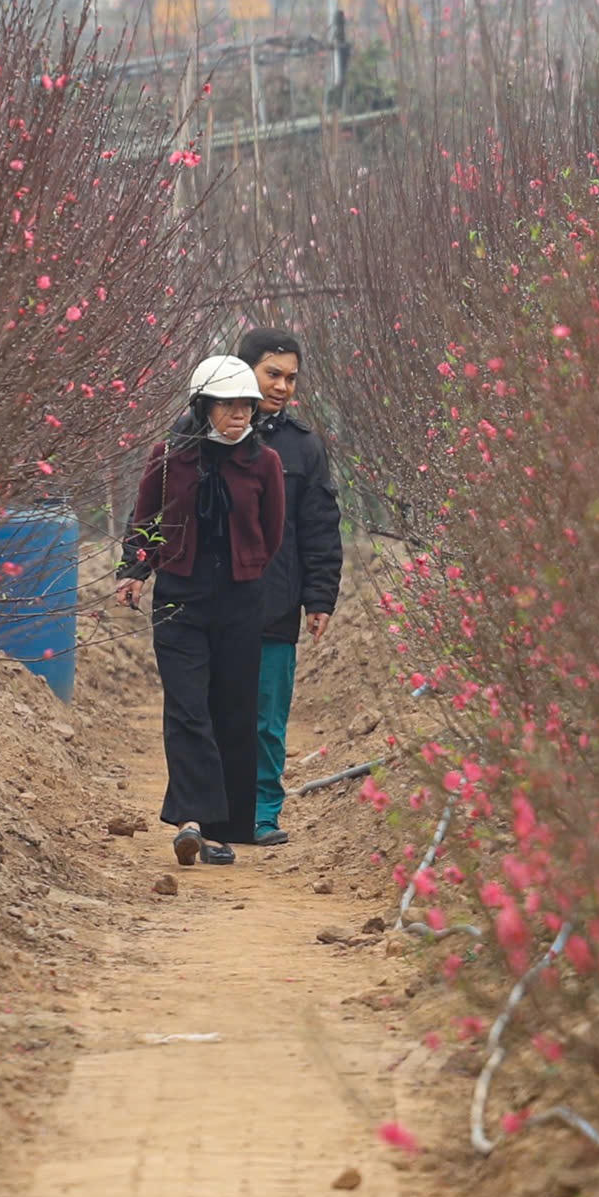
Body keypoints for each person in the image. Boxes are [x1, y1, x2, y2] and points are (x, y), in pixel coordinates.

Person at [115, 355, 285, 868]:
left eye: (246, 406)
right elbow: (145, 519)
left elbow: (272, 532)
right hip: (180, 598)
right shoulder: (170, 458)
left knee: (231, 710)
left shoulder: (265, 462)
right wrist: (135, 569)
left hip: (240, 599)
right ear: (203, 406)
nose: (240, 415)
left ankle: (218, 830)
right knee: (188, 707)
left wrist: (247, 567)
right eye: (228, 405)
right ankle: (190, 819)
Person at [236, 327, 342, 848]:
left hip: (275, 603)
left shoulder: (305, 448)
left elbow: (321, 527)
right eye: (272, 373)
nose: (281, 386)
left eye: (290, 377)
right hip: (212, 602)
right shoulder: (198, 432)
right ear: (244, 370)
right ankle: (214, 812)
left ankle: (262, 814)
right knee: (212, 712)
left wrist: (319, 597)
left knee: (266, 720)